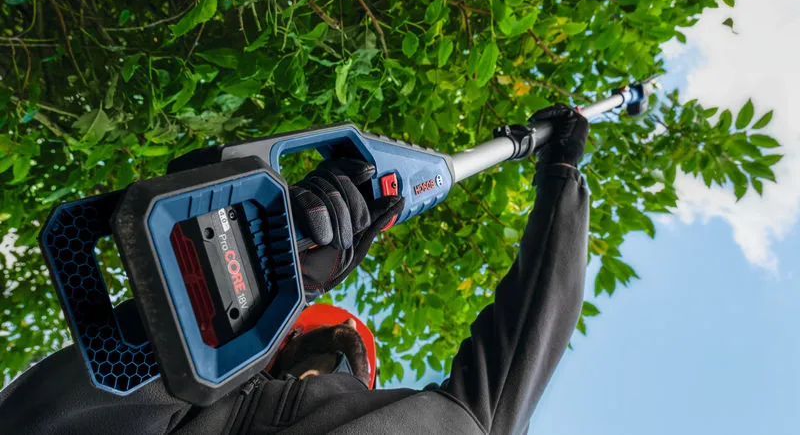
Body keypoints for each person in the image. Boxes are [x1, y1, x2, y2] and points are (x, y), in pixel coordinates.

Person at [0, 104, 590, 434]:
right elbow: (46, 417)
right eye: (311, 353)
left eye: (338, 364)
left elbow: (536, 321)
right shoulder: (186, 396)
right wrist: (259, 278)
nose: (319, 377)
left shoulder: (437, 425)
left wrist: (562, 176)